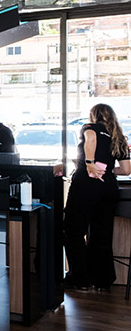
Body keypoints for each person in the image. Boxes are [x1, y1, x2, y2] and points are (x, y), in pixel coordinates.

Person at [60, 104, 131, 291]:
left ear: (94, 115)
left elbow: (91, 138)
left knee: (73, 230)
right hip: (108, 188)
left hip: (86, 186)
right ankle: (102, 281)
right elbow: (126, 170)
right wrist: (106, 171)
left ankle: (81, 280)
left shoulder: (90, 127)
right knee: (101, 234)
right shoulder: (119, 138)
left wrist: (90, 163)